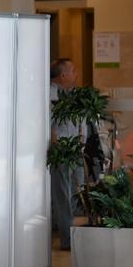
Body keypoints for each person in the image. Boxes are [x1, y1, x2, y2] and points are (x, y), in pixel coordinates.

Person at [50, 58, 80, 251]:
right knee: (64, 193)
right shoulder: (52, 94)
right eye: (73, 71)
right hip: (62, 150)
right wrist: (58, 145)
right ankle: (68, 239)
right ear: (63, 75)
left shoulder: (70, 93)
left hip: (74, 148)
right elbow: (49, 123)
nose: (76, 75)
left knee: (74, 191)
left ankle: (71, 233)